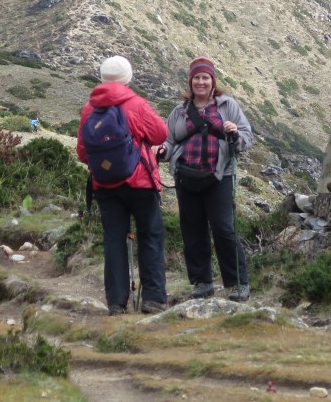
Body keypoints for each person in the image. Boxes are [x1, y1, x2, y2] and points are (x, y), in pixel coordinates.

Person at [77, 55, 168, 315]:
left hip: (105, 187)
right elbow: (160, 134)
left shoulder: (89, 109)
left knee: (114, 241)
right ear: (127, 78)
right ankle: (153, 299)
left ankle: (116, 304)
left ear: (102, 78)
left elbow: (82, 152)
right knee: (150, 235)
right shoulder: (136, 104)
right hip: (140, 182)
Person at [158, 56, 253, 302]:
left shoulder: (227, 106)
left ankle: (238, 283)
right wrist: (162, 151)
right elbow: (170, 141)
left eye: (205, 78)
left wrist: (235, 133)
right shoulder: (179, 111)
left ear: (213, 81)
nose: (201, 82)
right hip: (186, 176)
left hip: (220, 176)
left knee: (223, 228)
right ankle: (202, 282)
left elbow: (246, 136)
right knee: (192, 230)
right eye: (197, 78)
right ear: (191, 82)